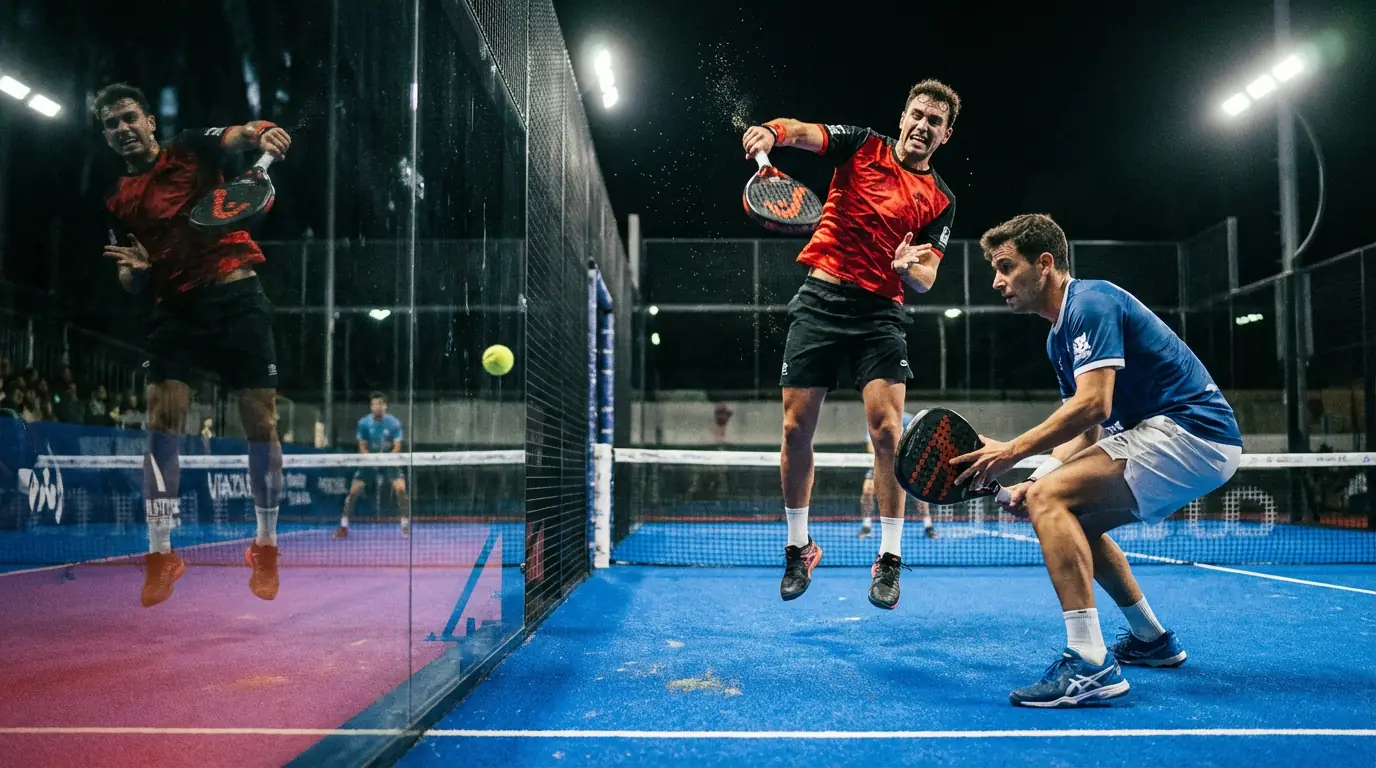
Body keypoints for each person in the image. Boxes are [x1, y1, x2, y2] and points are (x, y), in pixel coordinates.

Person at [951, 213, 1242, 707]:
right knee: (1070, 515)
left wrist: (1013, 452)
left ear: (1044, 264)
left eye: (1005, 266)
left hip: (1192, 432)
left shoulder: (1089, 301)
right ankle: (1151, 639)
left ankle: (1089, 664)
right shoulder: (1056, 336)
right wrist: (1038, 475)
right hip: (1184, 440)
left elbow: (1095, 404)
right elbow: (1089, 430)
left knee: (1051, 499)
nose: (996, 281)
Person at [741, 79, 959, 609]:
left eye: (935, 122)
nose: (922, 127)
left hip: (880, 315)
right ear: (903, 116)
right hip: (820, 298)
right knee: (795, 429)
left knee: (888, 433)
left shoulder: (942, 199)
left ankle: (888, 560)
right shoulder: (862, 144)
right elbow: (801, 133)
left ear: (945, 135)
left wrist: (912, 267)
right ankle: (799, 547)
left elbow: (929, 275)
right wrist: (770, 131)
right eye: (917, 115)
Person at [95, 83, 293, 608]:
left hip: (235, 294)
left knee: (261, 423)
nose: (122, 129)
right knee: (161, 421)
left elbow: (235, 136)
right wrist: (134, 274)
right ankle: (161, 552)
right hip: (174, 308)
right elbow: (130, 277)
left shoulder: (187, 148)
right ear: (106, 137)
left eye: (129, 118)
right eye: (111, 125)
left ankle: (266, 545)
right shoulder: (119, 199)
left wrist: (259, 132)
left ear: (149, 122)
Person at [335, 392, 411, 539]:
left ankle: (405, 525)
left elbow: (397, 447)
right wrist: (371, 459)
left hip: (389, 461)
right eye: (374, 404)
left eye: (380, 404)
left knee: (401, 490)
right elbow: (362, 447)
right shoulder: (364, 423)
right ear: (371, 406)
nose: (377, 407)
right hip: (369, 461)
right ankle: (343, 527)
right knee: (353, 493)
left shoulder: (393, 423)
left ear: (385, 406)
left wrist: (387, 459)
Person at [859, 411, 937, 540]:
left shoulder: (908, 419)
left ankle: (928, 526)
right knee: (867, 491)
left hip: (905, 464)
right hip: (880, 463)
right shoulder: (875, 420)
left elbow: (918, 442)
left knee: (920, 494)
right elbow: (870, 447)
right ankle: (866, 526)